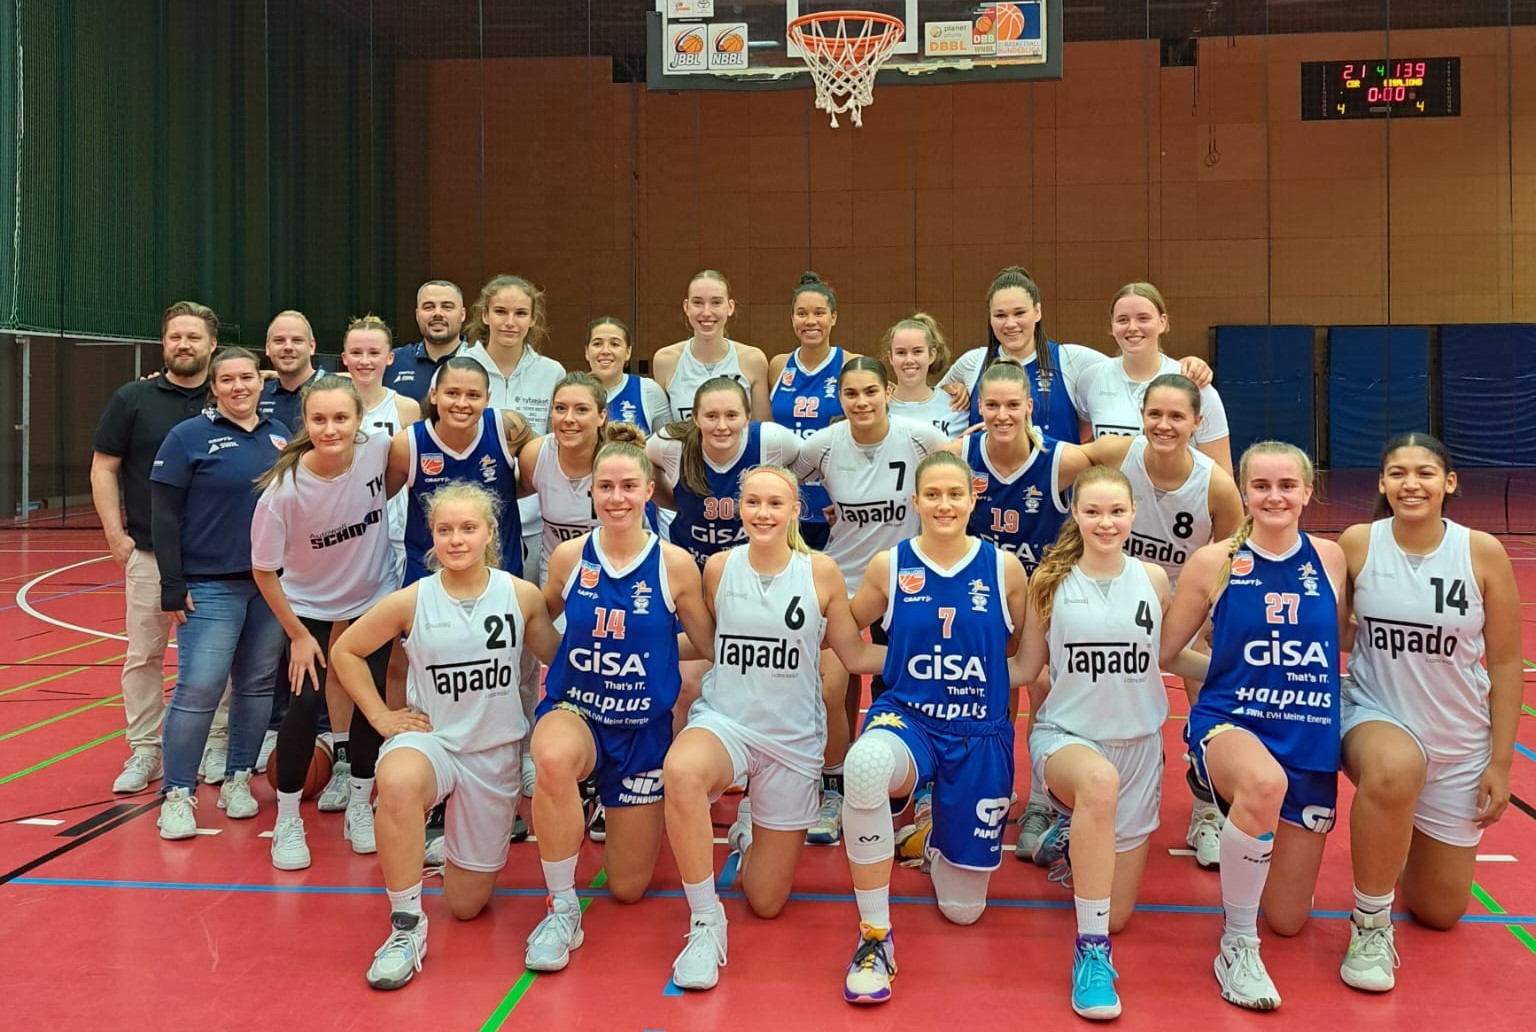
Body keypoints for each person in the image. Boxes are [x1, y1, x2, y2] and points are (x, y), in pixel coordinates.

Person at [330, 483, 561, 991]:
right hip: (432, 741)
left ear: (490, 533)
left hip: (493, 752)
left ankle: (445, 848)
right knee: (397, 780)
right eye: (445, 529)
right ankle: (405, 926)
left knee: (466, 904)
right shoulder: (413, 599)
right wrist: (381, 717)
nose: (456, 539)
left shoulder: (520, 596)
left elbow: (560, 660)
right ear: (432, 537)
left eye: (468, 528)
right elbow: (345, 651)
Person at [662, 465, 885, 991]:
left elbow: (852, 654)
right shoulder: (719, 568)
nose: (763, 513)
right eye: (753, 502)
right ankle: (705, 920)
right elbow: (708, 643)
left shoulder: (821, 572)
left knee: (765, 901)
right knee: (682, 771)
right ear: (740, 508)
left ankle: (748, 831)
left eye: (775, 504)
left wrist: (934, 659)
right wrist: (639, 646)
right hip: (727, 722)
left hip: (791, 740)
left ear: (795, 511)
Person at [1010, 466, 1208, 1020]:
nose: (1105, 522)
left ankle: (1075, 834)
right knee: (1098, 784)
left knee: (1117, 912)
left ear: (1133, 514)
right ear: (1075, 513)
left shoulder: (1153, 579)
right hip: (1068, 739)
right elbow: (1025, 668)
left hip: (1140, 747)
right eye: (1093, 511)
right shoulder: (1049, 582)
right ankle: (1091, 952)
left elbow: (1169, 656)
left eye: (1116, 511)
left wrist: (1235, 671)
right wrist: (942, 676)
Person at [1159, 441, 1347, 1011]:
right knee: (1264, 783)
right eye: (1261, 486)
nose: (1274, 497)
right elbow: (1168, 653)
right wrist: (1225, 671)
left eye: (1287, 486)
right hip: (1231, 722)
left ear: (1308, 491)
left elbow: (1341, 641)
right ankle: (1237, 945)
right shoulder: (1213, 561)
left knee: (1288, 919)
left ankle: (1244, 827)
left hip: (1307, 735)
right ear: (1243, 492)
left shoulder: (1331, 558)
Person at [837, 451, 1028, 1005]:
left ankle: (936, 840)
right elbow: (850, 647)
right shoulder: (890, 566)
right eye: (933, 495)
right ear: (915, 501)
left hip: (979, 732)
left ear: (972, 498)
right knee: (864, 765)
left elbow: (1022, 663)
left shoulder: (1005, 569)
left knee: (964, 912)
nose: (945, 505)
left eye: (955, 494)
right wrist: (895, 662)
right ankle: (875, 937)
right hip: (910, 719)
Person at [523, 429, 715, 973]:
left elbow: (707, 644)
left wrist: (659, 652)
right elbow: (537, 616)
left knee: (628, 888)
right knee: (552, 757)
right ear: (591, 491)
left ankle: (598, 801)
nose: (616, 497)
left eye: (628, 486)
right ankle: (562, 908)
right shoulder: (569, 557)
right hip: (578, 710)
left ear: (649, 491)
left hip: (642, 729)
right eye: (605, 486)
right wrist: (562, 656)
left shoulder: (674, 564)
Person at [1336, 433, 1520, 992]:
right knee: (1396, 768)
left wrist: (1500, 763)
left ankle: (1399, 829)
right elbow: (1334, 635)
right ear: (1382, 483)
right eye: (1397, 473)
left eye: (1424, 473)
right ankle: (1370, 925)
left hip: (1458, 743)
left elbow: (1505, 661)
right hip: (1375, 716)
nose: (1410, 484)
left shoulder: (1481, 551)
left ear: (1449, 482)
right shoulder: (1359, 543)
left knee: (1440, 912)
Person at [1078, 373, 1244, 868]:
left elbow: (1234, 556)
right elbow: (1052, 459)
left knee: (1207, 698)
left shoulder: (1215, 484)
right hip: (1121, 595)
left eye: (1176, 416)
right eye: (1155, 414)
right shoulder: (1118, 454)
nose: (1164, 425)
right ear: (1141, 417)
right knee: (1102, 694)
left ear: (1197, 422)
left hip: (1185, 602)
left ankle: (1208, 813)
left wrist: (1219, 614)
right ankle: (1084, 800)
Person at [793, 357, 949, 846]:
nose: (861, 402)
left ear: (887, 393)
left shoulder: (921, 438)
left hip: (906, 578)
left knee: (907, 679)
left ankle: (920, 784)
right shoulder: (822, 445)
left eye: (870, 392)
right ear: (840, 399)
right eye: (851, 394)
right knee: (833, 686)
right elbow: (781, 483)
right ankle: (834, 785)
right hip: (842, 577)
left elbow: (958, 478)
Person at [251, 376, 398, 869]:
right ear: (305, 423)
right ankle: (288, 818)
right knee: (304, 702)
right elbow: (263, 571)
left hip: (371, 595)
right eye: (319, 419)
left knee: (368, 697)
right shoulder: (283, 491)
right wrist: (296, 635)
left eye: (341, 418)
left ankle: (359, 803)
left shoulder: (378, 450)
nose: (330, 428)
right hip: (307, 605)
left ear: (360, 420)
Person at [150, 347, 288, 839]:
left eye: (246, 377)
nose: (238, 387)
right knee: (200, 687)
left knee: (256, 686)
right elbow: (164, 513)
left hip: (269, 586)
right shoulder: (187, 437)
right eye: (227, 379)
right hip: (209, 585)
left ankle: (238, 778)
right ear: (213, 387)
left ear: (261, 382)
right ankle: (177, 794)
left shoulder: (280, 435)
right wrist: (172, 582)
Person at [91, 300, 220, 794]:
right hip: (149, 554)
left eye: (193, 337)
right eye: (175, 337)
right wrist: (115, 535)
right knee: (144, 656)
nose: (183, 345)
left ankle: (216, 745)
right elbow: (103, 467)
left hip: (216, 559)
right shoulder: (132, 398)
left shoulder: (231, 393)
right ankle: (145, 749)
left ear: (212, 344)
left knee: (220, 658)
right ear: (164, 343)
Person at [939, 266, 1210, 441]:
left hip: (1058, 504)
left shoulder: (1072, 359)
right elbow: (929, 403)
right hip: (988, 501)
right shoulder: (972, 363)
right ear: (990, 317)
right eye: (1000, 315)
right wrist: (950, 389)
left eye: (1019, 313)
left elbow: (1134, 369)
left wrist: (1182, 366)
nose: (1010, 323)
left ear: (1038, 312)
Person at [460, 274, 566, 582]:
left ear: (533, 319)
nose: (510, 322)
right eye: (500, 312)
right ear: (485, 315)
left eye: (520, 313)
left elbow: (557, 443)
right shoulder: (460, 366)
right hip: (470, 514)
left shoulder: (552, 372)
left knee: (527, 603)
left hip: (534, 518)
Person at [1075, 282, 1233, 476]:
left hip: (1176, 496)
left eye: (1143, 318)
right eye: (1122, 320)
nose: (1133, 327)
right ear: (1112, 325)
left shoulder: (1192, 382)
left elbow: (1222, 474)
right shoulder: (1091, 379)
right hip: (1114, 495)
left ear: (1162, 322)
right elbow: (1078, 443)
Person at [650, 377, 802, 569]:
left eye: (731, 415)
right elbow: (640, 465)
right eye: (711, 416)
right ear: (695, 418)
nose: (722, 426)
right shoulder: (670, 444)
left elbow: (810, 460)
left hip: (751, 566)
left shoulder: (771, 439)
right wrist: (672, 501)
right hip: (691, 565)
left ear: (747, 417)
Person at [768, 271, 851, 549]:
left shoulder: (851, 364)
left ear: (834, 317)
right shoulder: (778, 366)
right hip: (785, 500)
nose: (810, 321)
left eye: (819, 313)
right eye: (802, 314)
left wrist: (953, 386)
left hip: (834, 501)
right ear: (792, 319)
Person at [342, 314, 422, 586]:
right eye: (356, 353)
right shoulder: (331, 405)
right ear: (344, 358)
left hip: (393, 526)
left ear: (389, 358)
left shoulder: (406, 408)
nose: (365, 361)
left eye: (374, 353)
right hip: (344, 524)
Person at [653, 269, 771, 421]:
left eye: (716, 303)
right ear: (686, 307)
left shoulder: (753, 360)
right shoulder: (665, 361)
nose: (706, 312)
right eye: (698, 303)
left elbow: (761, 429)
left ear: (730, 307)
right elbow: (663, 431)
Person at [884, 313, 970, 437]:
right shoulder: (878, 407)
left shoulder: (956, 405)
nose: (909, 360)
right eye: (901, 352)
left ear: (931, 355)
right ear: (891, 357)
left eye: (917, 351)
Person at [586, 316, 673, 433]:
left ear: (628, 352)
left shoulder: (648, 390)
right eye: (597, 344)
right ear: (587, 352)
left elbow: (667, 441)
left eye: (615, 344)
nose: (605, 351)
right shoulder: (570, 391)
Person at [385, 280, 466, 402]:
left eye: (447, 307)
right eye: (429, 307)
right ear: (417, 315)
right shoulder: (392, 361)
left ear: (462, 314)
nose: (437, 313)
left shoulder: (478, 360)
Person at [258, 310, 327, 433]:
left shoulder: (341, 389)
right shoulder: (257, 394)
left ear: (311, 347)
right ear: (268, 348)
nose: (288, 347)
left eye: (297, 340)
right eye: (279, 340)